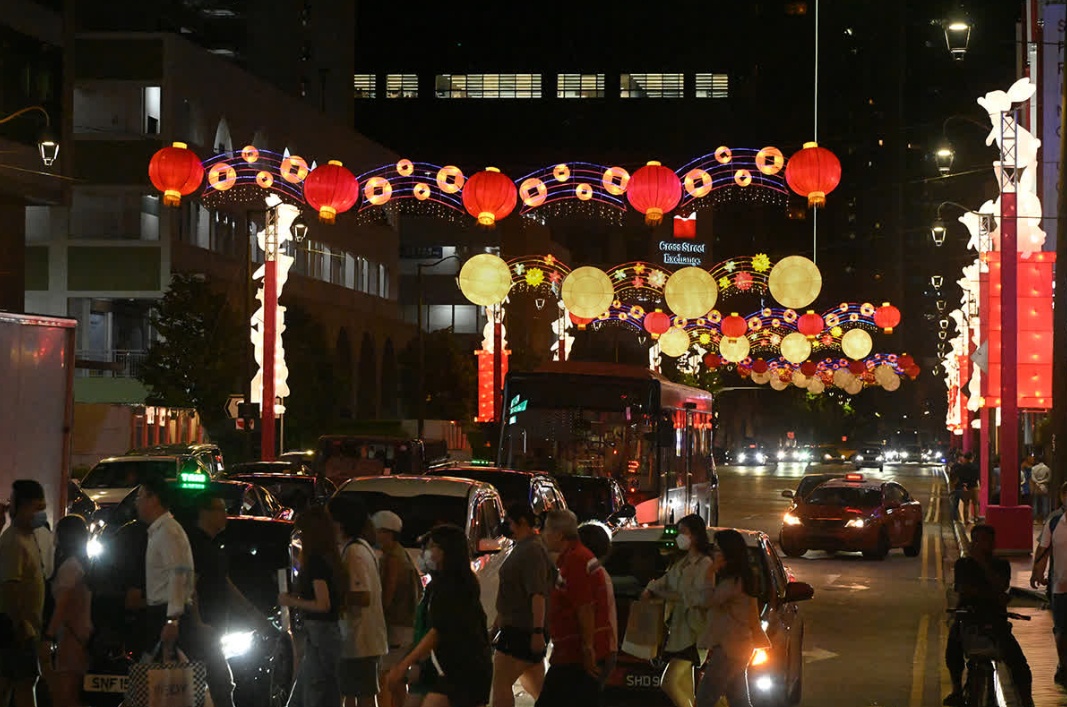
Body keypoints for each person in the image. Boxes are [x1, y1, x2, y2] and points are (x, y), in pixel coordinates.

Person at [384, 524, 492, 707]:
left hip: (464, 670)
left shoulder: (453, 587)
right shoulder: (441, 585)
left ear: (447, 552)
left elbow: (437, 631)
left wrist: (403, 666)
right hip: (449, 668)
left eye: (432, 546)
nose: (425, 552)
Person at [185, 490, 273, 707]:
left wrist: (255, 615)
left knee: (218, 685)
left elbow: (226, 585)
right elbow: (189, 587)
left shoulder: (213, 547)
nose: (226, 514)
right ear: (205, 513)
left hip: (213, 630)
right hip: (202, 632)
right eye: (221, 509)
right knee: (220, 685)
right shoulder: (196, 546)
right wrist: (198, 623)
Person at [945, 524, 1033, 706]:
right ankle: (956, 690)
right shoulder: (963, 564)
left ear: (993, 543)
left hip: (994, 619)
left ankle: (1026, 699)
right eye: (976, 540)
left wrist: (982, 565)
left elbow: (1001, 586)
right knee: (953, 647)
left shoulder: (1001, 564)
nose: (979, 544)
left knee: (1018, 662)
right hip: (969, 617)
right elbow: (964, 589)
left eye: (984, 540)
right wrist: (992, 594)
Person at [535, 510, 613, 707]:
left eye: (546, 530)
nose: (543, 534)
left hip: (575, 656)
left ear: (559, 534)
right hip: (574, 653)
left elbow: (584, 607)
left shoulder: (576, 560)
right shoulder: (574, 558)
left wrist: (588, 649)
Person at [641, 515, 714, 707]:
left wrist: (668, 595)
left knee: (669, 682)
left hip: (694, 634)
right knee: (684, 685)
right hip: (678, 633)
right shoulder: (681, 563)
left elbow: (695, 596)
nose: (679, 537)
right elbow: (665, 582)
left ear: (696, 535)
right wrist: (650, 589)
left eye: (684, 533)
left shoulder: (705, 564)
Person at [490, 503, 555, 707]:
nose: (506, 527)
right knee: (534, 683)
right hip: (519, 626)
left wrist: (537, 631)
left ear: (522, 522)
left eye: (509, 522)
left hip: (521, 629)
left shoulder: (532, 550)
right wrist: (496, 627)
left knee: (500, 682)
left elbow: (537, 594)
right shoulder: (524, 548)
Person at [694, 529, 767, 707]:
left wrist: (709, 572)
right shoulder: (740, 579)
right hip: (738, 647)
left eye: (717, 550)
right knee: (738, 699)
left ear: (728, 553)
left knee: (705, 697)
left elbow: (707, 600)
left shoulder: (733, 582)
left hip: (729, 649)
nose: (714, 554)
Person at [281, 506, 345, 707]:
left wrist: (292, 601)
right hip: (324, 632)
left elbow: (322, 603)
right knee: (316, 688)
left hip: (321, 632)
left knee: (315, 688)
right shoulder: (329, 559)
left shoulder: (316, 562)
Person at [329, 495, 389, 707]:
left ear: (340, 522)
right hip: (359, 639)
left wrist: (331, 597)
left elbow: (363, 595)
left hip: (360, 639)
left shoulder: (355, 552)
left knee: (362, 694)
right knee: (354, 693)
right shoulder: (358, 548)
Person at [0, 480, 49, 707]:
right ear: (21, 506)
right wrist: (22, 625)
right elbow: (10, 587)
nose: (41, 513)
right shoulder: (13, 541)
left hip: (25, 629)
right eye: (37, 508)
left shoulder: (30, 537)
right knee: (23, 684)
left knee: (18, 683)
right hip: (16, 630)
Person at [42, 515, 93, 707]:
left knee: (64, 696)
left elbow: (62, 605)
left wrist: (49, 635)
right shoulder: (80, 564)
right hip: (79, 634)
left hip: (70, 637)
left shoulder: (70, 567)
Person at [372, 510, 421, 707]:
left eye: (378, 531)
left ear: (388, 533)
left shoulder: (393, 559)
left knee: (385, 678)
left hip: (396, 629)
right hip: (405, 626)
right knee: (398, 680)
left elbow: (387, 597)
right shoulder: (401, 554)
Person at [1031, 482, 1067, 686]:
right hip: (1060, 585)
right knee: (1061, 629)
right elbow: (1043, 549)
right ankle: (1063, 664)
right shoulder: (1054, 520)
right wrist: (1037, 571)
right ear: (1062, 496)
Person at [577, 522, 617, 690]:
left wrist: (587, 648)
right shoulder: (598, 572)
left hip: (597, 649)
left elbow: (588, 610)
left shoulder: (592, 573)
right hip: (602, 649)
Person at [957, 453, 981, 523]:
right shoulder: (975, 467)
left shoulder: (963, 467)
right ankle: (976, 518)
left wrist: (964, 485)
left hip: (966, 487)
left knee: (966, 504)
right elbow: (977, 477)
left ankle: (966, 520)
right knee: (975, 503)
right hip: (974, 486)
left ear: (966, 459)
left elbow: (961, 477)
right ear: (971, 458)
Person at [1030, 455, 1051, 522]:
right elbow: (1048, 479)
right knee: (1045, 503)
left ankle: (1035, 519)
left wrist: (1037, 483)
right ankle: (1045, 519)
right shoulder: (1047, 468)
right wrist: (1042, 482)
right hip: (1044, 487)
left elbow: (1033, 478)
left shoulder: (1033, 468)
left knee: (1035, 503)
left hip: (1036, 487)